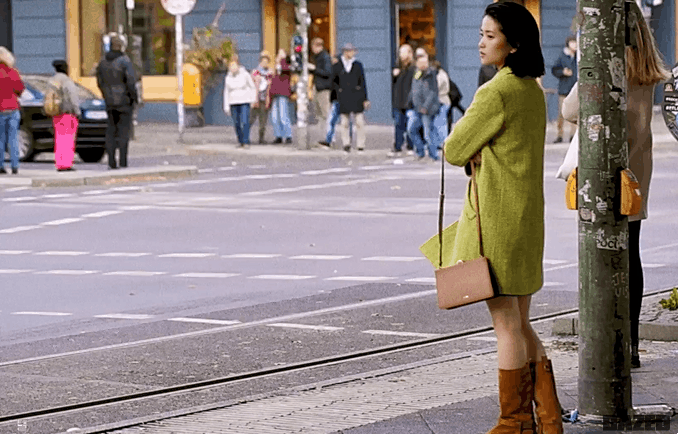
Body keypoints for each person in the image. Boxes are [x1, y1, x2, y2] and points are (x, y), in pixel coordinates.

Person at [442, 2, 562, 432]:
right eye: (481, 33)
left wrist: (475, 151)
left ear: (513, 44)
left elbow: (454, 148)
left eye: (490, 35)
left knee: (507, 326)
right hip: (526, 221)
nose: (481, 42)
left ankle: (514, 422)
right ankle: (548, 418)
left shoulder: (495, 92)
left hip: (496, 222)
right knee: (522, 323)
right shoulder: (532, 91)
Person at [560, 2, 670, 369]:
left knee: (602, 252)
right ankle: (632, 344)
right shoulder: (646, 63)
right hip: (637, 169)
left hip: (606, 167)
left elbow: (570, 110)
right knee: (631, 252)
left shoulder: (607, 60)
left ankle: (608, 342)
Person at [96, 36, 138, 169]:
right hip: (124, 101)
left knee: (111, 131)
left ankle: (111, 161)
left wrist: (105, 95)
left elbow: (99, 81)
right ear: (121, 46)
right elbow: (131, 82)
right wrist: (134, 98)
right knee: (123, 132)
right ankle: (123, 161)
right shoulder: (125, 60)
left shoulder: (103, 61)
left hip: (109, 101)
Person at [333, 43, 369, 153]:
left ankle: (360, 144)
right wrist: (337, 94)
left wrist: (365, 98)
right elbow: (334, 81)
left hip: (357, 95)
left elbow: (362, 81)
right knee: (344, 122)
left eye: (353, 51)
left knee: (359, 121)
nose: (352, 53)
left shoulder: (358, 65)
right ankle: (346, 143)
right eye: (350, 51)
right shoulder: (338, 65)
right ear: (345, 52)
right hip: (344, 96)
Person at [407, 53, 440, 162]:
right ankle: (420, 151)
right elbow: (414, 88)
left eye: (424, 62)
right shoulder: (417, 73)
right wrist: (410, 102)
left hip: (428, 109)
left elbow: (433, 92)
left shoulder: (431, 74)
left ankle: (433, 155)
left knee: (428, 133)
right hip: (416, 108)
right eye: (420, 62)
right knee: (411, 130)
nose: (422, 65)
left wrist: (425, 106)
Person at [49, 60, 81, 172]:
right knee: (68, 140)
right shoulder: (67, 81)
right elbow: (73, 98)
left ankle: (59, 163)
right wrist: (77, 112)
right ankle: (66, 164)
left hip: (56, 113)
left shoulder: (52, 81)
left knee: (59, 139)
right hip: (68, 113)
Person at [389, 44, 416, 158]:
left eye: (403, 52)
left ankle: (411, 146)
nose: (401, 55)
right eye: (400, 52)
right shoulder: (398, 67)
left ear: (409, 53)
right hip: (398, 101)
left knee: (410, 126)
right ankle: (398, 146)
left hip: (409, 102)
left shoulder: (413, 68)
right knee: (398, 125)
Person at [0, 46, 24, 175]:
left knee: (1, 139)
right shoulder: (13, 72)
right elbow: (20, 88)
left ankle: (1, 166)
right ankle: (15, 166)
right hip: (13, 108)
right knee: (13, 138)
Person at [223, 57, 256, 148]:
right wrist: (226, 106)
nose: (232, 68)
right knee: (236, 123)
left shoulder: (245, 74)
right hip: (233, 102)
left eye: (234, 65)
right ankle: (240, 140)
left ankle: (246, 141)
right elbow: (226, 92)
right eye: (231, 66)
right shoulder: (228, 78)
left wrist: (253, 99)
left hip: (244, 101)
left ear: (238, 66)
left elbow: (252, 87)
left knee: (245, 121)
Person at [551, 35, 577, 143]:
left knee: (574, 113)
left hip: (574, 89)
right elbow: (554, 69)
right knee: (561, 114)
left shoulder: (579, 56)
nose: (574, 45)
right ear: (568, 44)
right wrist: (563, 72)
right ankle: (559, 135)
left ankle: (573, 135)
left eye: (576, 42)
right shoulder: (563, 56)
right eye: (572, 42)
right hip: (564, 89)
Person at [309, 38, 333, 147]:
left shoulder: (325, 57)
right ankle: (323, 139)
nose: (312, 49)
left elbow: (327, 72)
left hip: (324, 89)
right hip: (319, 87)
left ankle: (329, 139)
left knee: (325, 114)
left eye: (313, 46)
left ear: (318, 46)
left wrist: (314, 69)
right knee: (319, 114)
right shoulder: (318, 57)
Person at [269, 49, 293, 144]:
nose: (279, 55)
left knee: (283, 115)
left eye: (281, 53)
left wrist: (281, 61)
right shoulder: (275, 67)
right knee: (274, 116)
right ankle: (278, 135)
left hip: (283, 93)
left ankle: (288, 135)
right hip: (275, 94)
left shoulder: (286, 64)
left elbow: (286, 69)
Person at [251, 51, 274, 144]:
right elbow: (251, 84)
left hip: (265, 99)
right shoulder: (255, 72)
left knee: (263, 120)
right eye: (263, 61)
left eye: (266, 62)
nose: (265, 63)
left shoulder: (270, 73)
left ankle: (261, 138)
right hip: (256, 98)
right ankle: (244, 136)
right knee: (251, 119)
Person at [432, 59, 451, 150]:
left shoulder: (440, 76)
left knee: (440, 123)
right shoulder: (442, 74)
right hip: (443, 101)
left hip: (442, 101)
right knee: (439, 123)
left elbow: (435, 88)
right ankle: (440, 143)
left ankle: (443, 143)